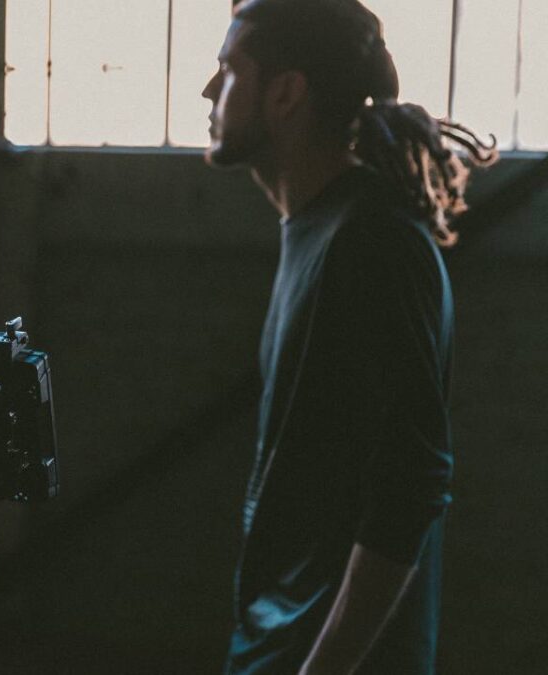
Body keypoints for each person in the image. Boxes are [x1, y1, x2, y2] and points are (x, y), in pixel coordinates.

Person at [201, 1, 495, 673]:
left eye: (228, 69)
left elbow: (411, 486)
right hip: (278, 637)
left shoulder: (374, 243)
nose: (210, 90)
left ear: (285, 92)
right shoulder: (318, 227)